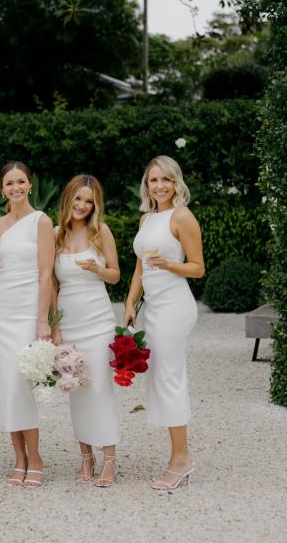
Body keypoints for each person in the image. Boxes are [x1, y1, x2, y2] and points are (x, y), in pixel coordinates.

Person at [122, 155, 204, 490]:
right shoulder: (146, 220)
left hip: (175, 306)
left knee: (170, 378)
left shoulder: (182, 216)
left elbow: (198, 267)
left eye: (166, 180)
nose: (159, 186)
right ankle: (176, 456)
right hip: (152, 308)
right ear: (147, 184)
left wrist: (169, 265)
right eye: (154, 180)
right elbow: (140, 268)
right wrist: (130, 302)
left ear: (176, 183)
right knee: (159, 377)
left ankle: (182, 460)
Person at [0, 161, 55, 488]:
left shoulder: (42, 221)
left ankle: (34, 457)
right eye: (9, 183)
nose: (16, 187)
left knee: (22, 384)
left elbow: (46, 273)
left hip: (27, 308)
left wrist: (42, 319)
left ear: (30, 185)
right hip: (1, 307)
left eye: (21, 181)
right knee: (6, 384)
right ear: (2, 189)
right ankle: (18, 458)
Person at [50, 175, 121, 488]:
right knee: (75, 389)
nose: (82, 206)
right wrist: (54, 327)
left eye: (88, 201)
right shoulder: (56, 235)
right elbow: (51, 284)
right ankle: (86, 458)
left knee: (99, 388)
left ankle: (109, 458)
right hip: (69, 321)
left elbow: (116, 276)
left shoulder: (100, 231)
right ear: (68, 199)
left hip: (98, 320)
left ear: (95, 205)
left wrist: (98, 270)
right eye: (78, 199)